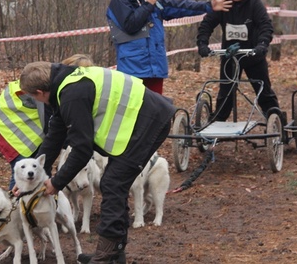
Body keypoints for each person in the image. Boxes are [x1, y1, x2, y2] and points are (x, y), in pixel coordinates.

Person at [18, 62, 177, 264]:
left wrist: (57, 183)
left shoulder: (72, 95)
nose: (35, 101)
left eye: (33, 97)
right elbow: (55, 135)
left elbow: (82, 149)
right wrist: (35, 174)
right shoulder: (65, 85)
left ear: (40, 92)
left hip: (149, 121)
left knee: (112, 183)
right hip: (144, 117)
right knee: (113, 183)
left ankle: (106, 256)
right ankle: (114, 254)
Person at [106, 0, 232, 94]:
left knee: (156, 110)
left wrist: (207, 7)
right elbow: (130, 25)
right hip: (133, 68)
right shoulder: (119, 0)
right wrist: (148, 6)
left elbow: (179, 6)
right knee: (133, 110)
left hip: (155, 68)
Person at [0, 54, 93, 189]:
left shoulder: (51, 79)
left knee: (39, 168)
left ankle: (37, 205)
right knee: (26, 170)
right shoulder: (49, 89)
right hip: (8, 129)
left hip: (17, 125)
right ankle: (18, 206)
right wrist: (69, 144)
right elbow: (52, 126)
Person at [196, 0, 280, 121]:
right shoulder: (223, 4)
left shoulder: (255, 4)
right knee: (225, 95)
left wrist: (262, 45)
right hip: (230, 57)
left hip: (253, 56)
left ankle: (279, 125)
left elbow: (265, 26)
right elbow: (206, 25)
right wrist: (202, 44)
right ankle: (215, 129)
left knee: (264, 94)